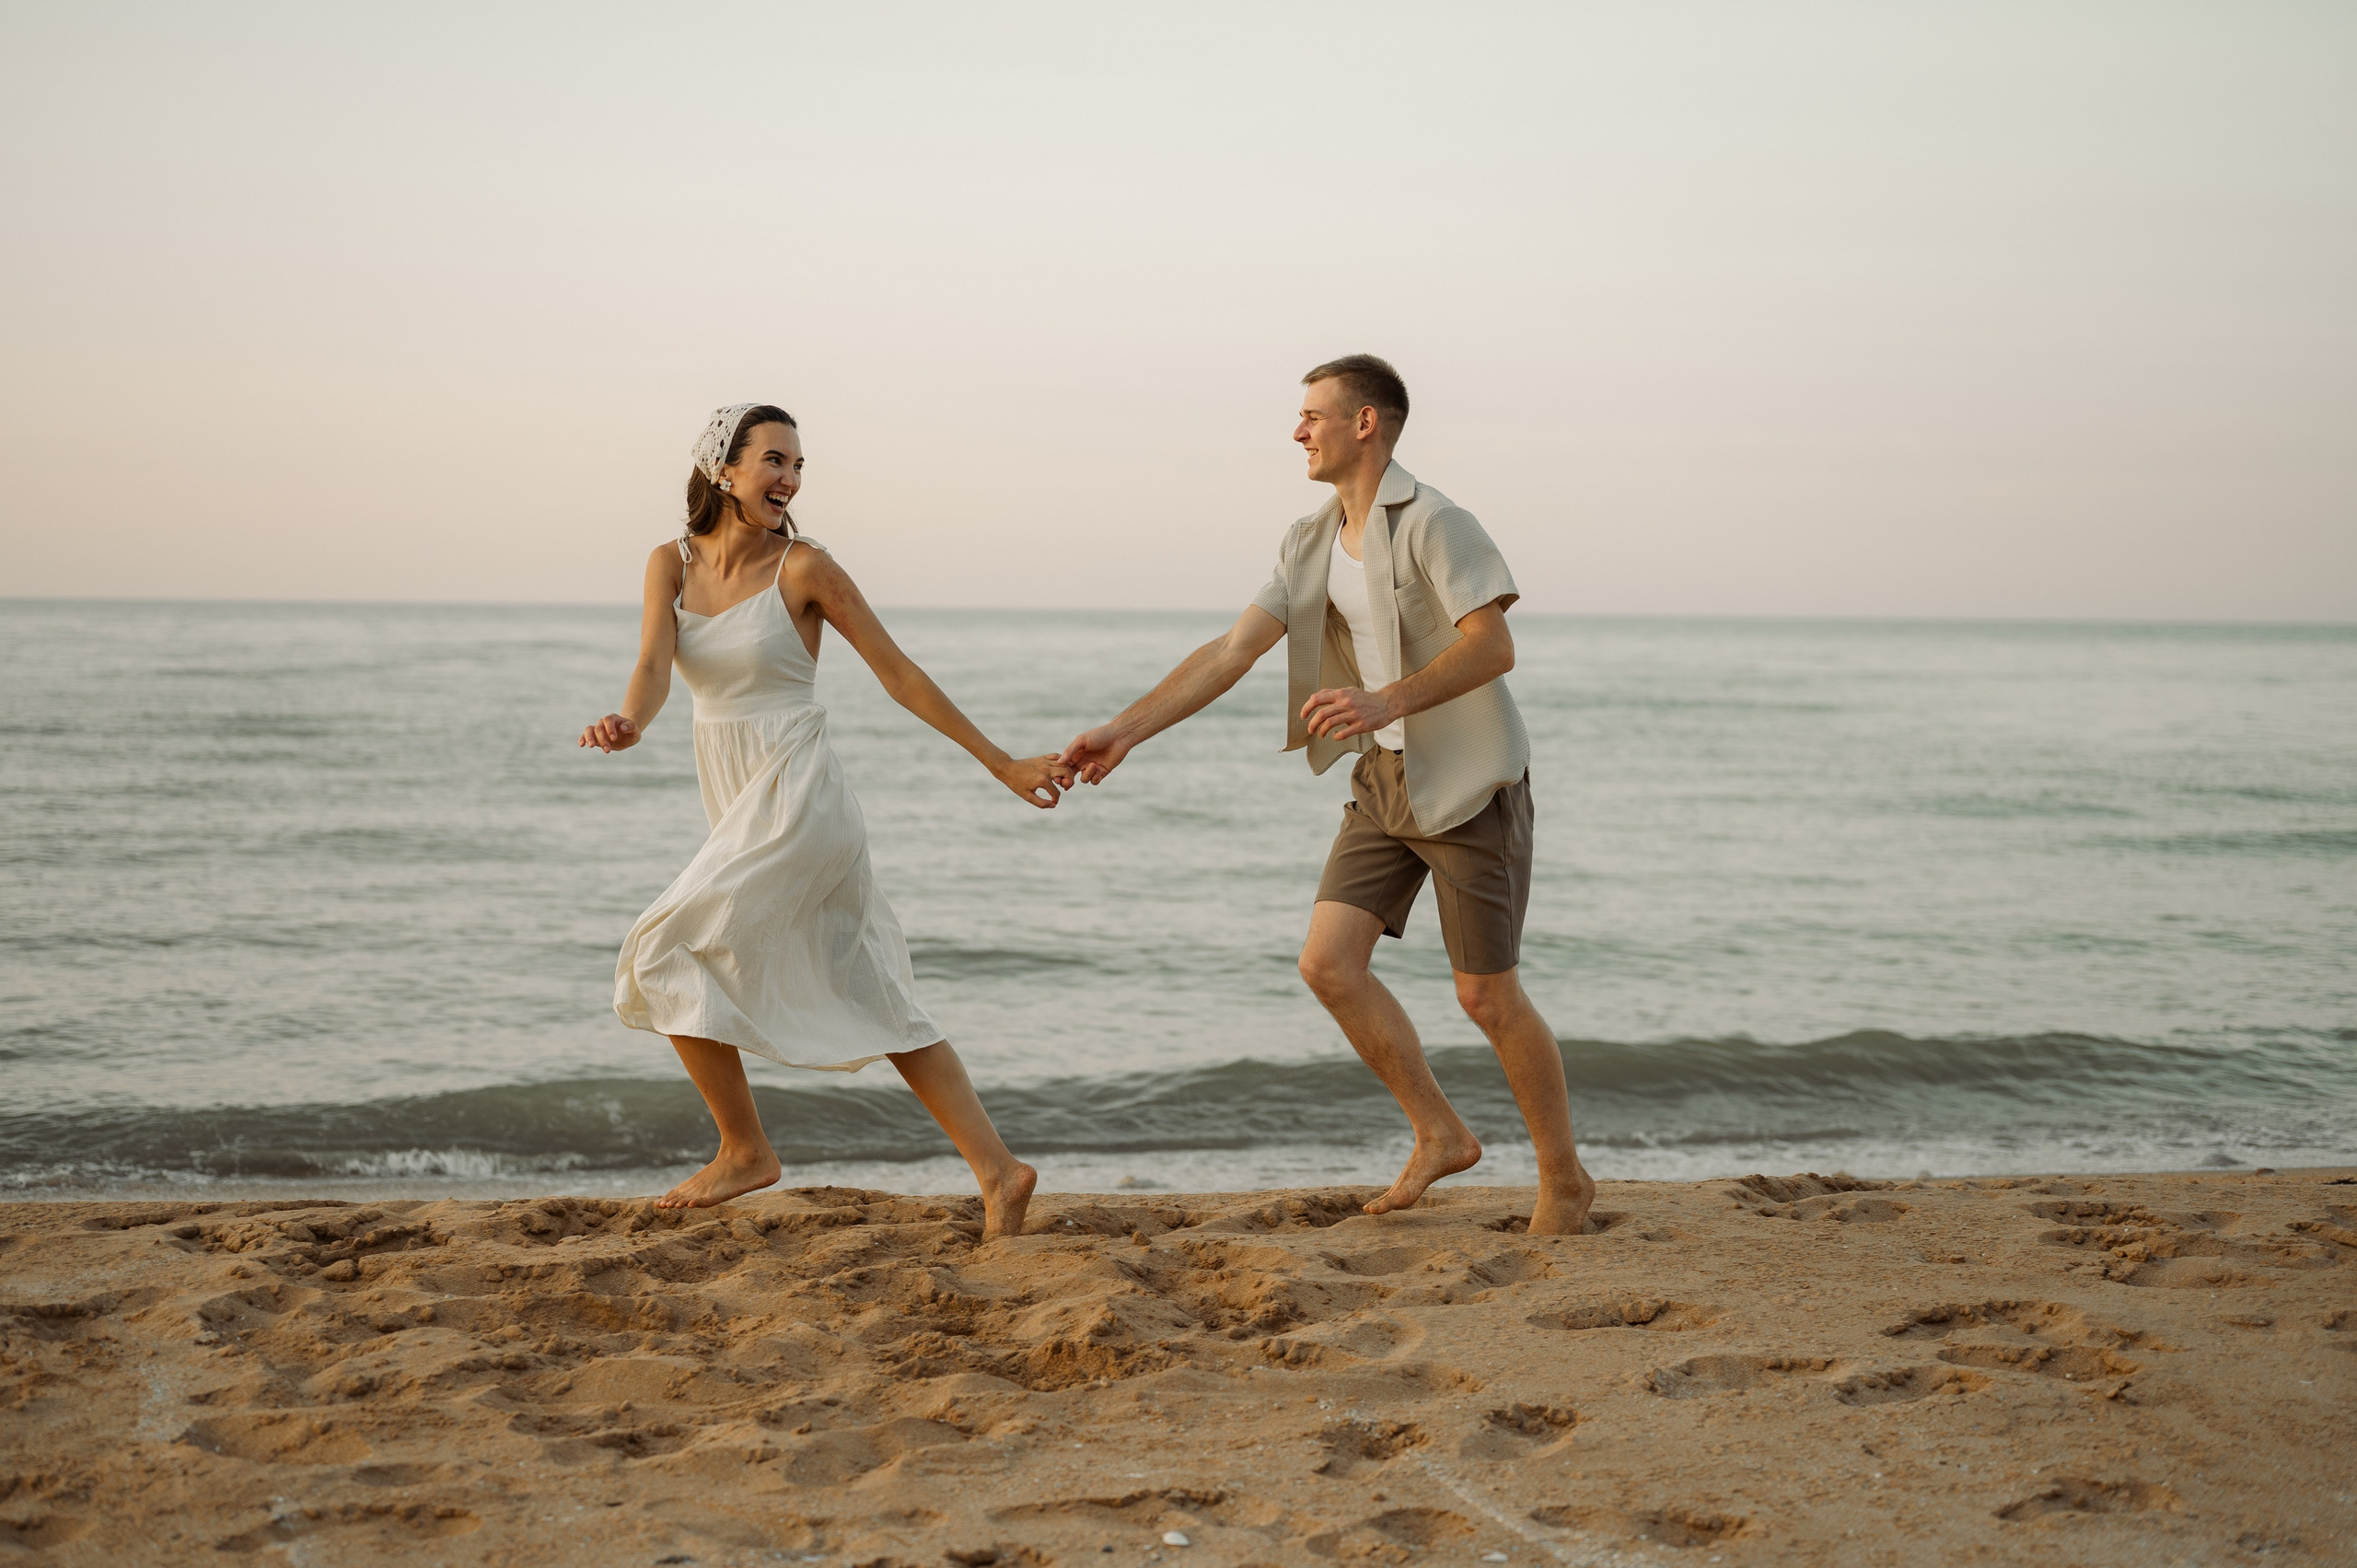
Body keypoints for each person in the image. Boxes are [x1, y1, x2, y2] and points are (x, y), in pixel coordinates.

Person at [1061, 356, 1596, 1235]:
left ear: (1367, 424)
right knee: (1328, 963)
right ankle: (1438, 1132)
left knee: (1486, 996)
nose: (1298, 431)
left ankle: (1564, 1180)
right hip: (1381, 783)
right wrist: (1124, 730)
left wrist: (1385, 700)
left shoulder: (1436, 522)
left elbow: (1493, 647)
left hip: (1467, 783)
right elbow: (1231, 653)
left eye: (1314, 415)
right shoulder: (1308, 542)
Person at [582, 402, 1062, 1233]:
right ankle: (1000, 1170)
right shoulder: (669, 563)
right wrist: (630, 720)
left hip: (800, 795)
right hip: (736, 797)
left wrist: (1003, 763)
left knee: (662, 945)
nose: (791, 479)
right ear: (722, 468)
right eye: (774, 460)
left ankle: (744, 1149)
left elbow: (900, 675)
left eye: (798, 466)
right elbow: (654, 667)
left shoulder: (804, 569)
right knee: (872, 985)